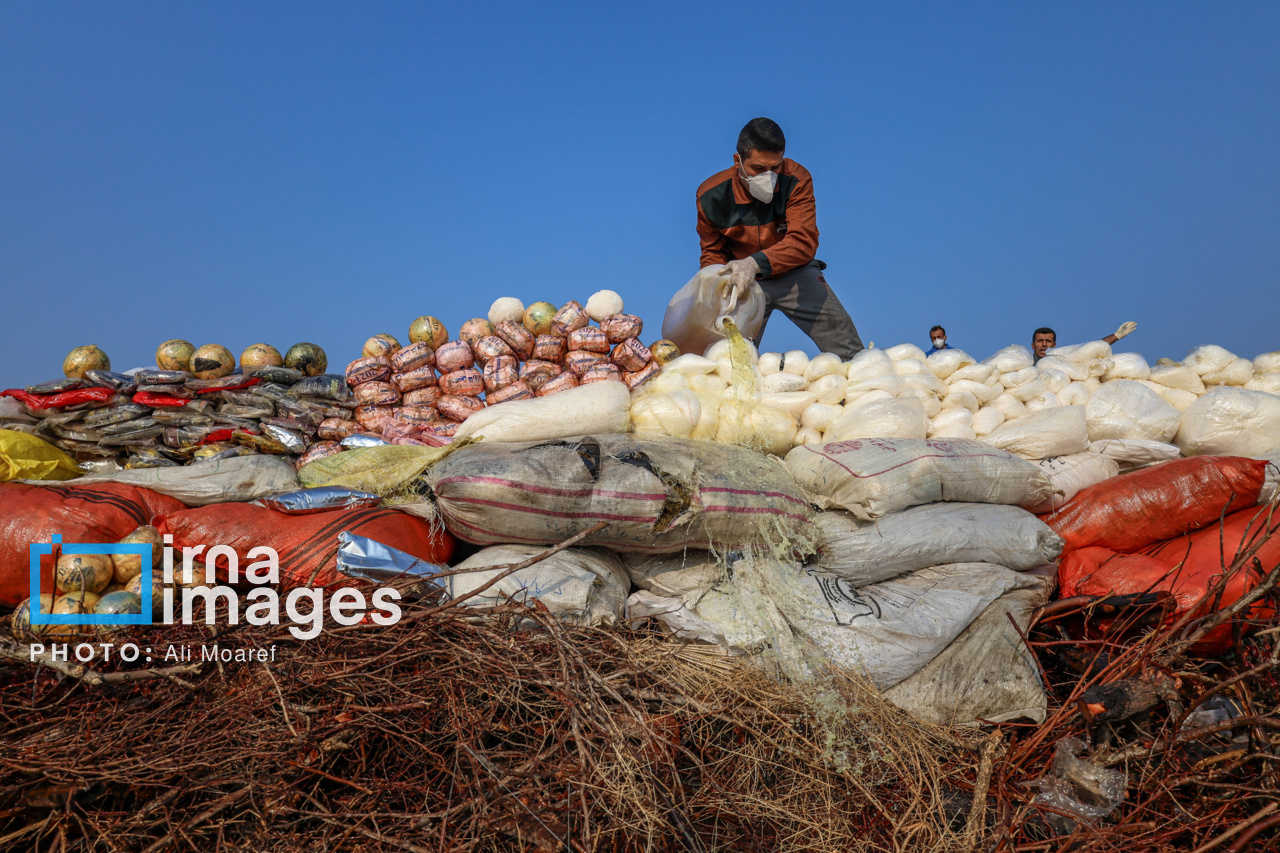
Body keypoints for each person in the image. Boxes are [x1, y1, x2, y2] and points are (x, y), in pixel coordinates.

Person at [697, 117, 864, 359]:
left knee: (848, 348)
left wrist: (754, 264)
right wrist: (715, 287)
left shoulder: (797, 179)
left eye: (775, 167)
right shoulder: (710, 195)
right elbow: (712, 254)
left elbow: (803, 241)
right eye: (758, 168)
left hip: (795, 273)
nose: (768, 176)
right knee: (727, 358)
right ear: (738, 161)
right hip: (743, 282)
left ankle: (863, 386)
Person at [1032, 322, 1138, 364]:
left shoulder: (1061, 358)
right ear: (1033, 345)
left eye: (1048, 341)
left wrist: (1117, 336)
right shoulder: (1027, 362)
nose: (1044, 344)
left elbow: (1089, 349)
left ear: (1054, 345)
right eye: (1040, 341)